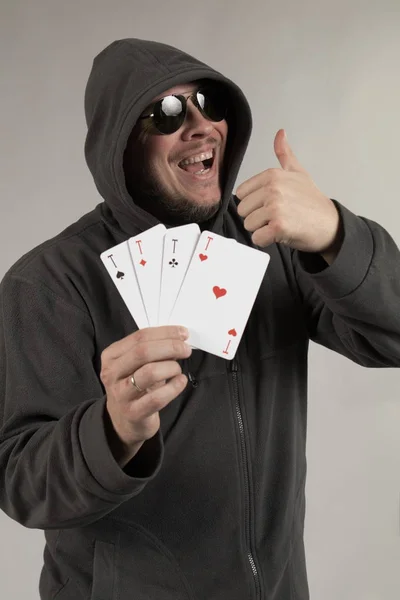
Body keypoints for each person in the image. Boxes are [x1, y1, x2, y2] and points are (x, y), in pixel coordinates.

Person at [0, 37, 399, 600]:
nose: (200, 124)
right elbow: (21, 483)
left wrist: (338, 236)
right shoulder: (48, 284)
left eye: (209, 102)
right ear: (121, 146)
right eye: (165, 112)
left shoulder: (273, 242)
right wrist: (112, 432)